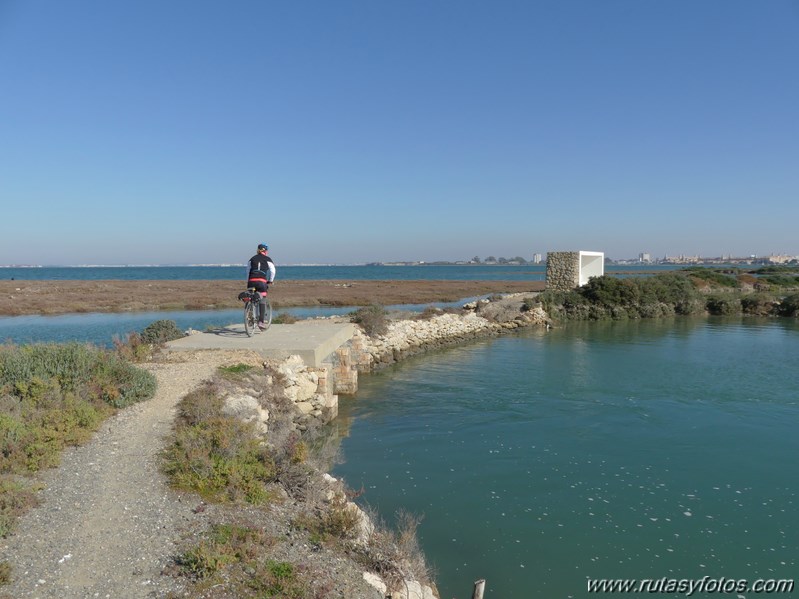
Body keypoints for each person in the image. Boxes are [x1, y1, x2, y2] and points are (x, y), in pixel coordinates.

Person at [246, 243, 276, 329]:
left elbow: (247, 271)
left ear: (258, 250)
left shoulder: (251, 259)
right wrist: (270, 280)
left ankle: (249, 316)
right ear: (265, 251)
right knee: (262, 299)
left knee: (251, 297)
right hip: (261, 282)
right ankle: (261, 322)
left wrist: (248, 281)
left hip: (251, 281)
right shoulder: (268, 259)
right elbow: (273, 271)